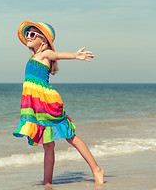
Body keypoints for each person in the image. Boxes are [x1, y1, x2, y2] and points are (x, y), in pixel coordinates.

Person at [13, 21, 104, 185]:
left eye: (32, 34)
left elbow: (58, 55)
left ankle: (97, 169)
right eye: (27, 34)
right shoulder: (33, 57)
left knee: (70, 136)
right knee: (47, 146)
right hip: (36, 106)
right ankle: (47, 183)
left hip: (47, 103)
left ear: (43, 40)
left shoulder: (45, 54)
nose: (28, 36)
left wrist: (75, 56)